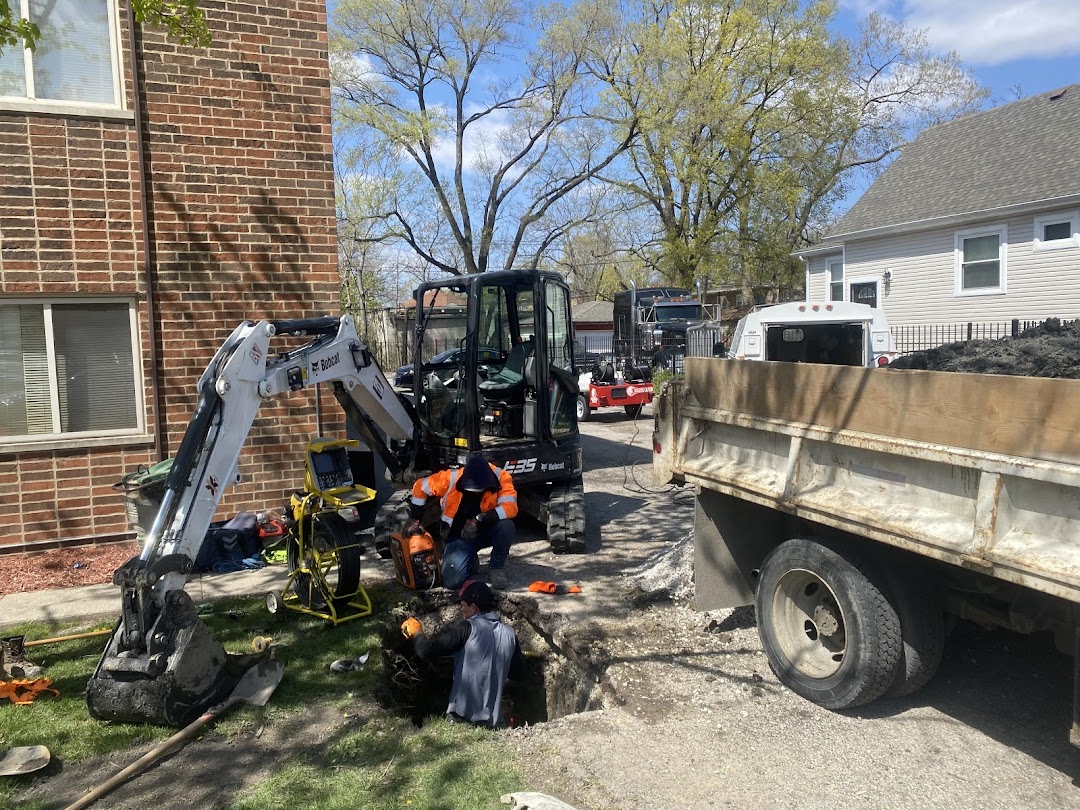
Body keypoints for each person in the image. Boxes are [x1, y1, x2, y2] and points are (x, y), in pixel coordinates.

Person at [403, 579, 526, 728]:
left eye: (463, 605)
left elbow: (426, 651)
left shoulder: (467, 627)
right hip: (493, 722)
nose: (461, 610)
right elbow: (518, 674)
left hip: (462, 718)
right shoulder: (510, 634)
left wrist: (417, 632)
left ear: (474, 607)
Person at [405, 455, 518, 589]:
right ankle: (470, 559)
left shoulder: (501, 478)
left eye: (479, 491)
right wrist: (414, 517)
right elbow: (420, 486)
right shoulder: (450, 478)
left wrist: (478, 519)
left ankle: (496, 568)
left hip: (487, 530)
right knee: (452, 582)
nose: (475, 494)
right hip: (459, 536)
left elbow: (510, 508)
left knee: (506, 526)